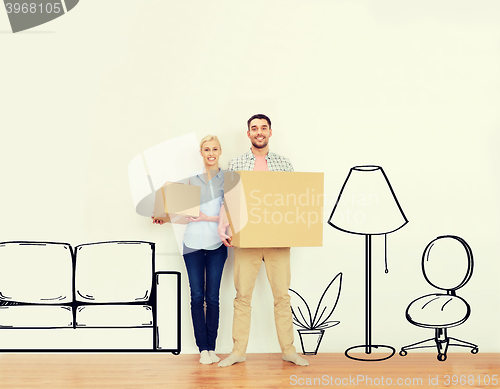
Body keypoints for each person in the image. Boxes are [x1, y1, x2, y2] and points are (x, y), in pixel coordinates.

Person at [217, 114, 309, 367]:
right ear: (248, 134)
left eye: (263, 128)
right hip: (246, 238)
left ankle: (289, 350)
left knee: (282, 296)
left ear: (270, 132)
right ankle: (238, 352)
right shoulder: (236, 162)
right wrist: (223, 225)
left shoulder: (284, 164)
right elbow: (229, 197)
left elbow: (294, 199)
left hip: (278, 239)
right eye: (254, 128)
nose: (259, 132)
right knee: (242, 295)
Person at [153, 135, 227, 365]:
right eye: (206, 149)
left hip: (217, 244)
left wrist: (209, 217)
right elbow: (180, 209)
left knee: (212, 297)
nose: (211, 152)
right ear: (201, 153)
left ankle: (212, 347)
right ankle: (202, 348)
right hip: (192, 244)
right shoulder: (190, 181)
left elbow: (232, 213)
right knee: (196, 296)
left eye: (214, 148)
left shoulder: (229, 179)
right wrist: (163, 218)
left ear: (220, 151)